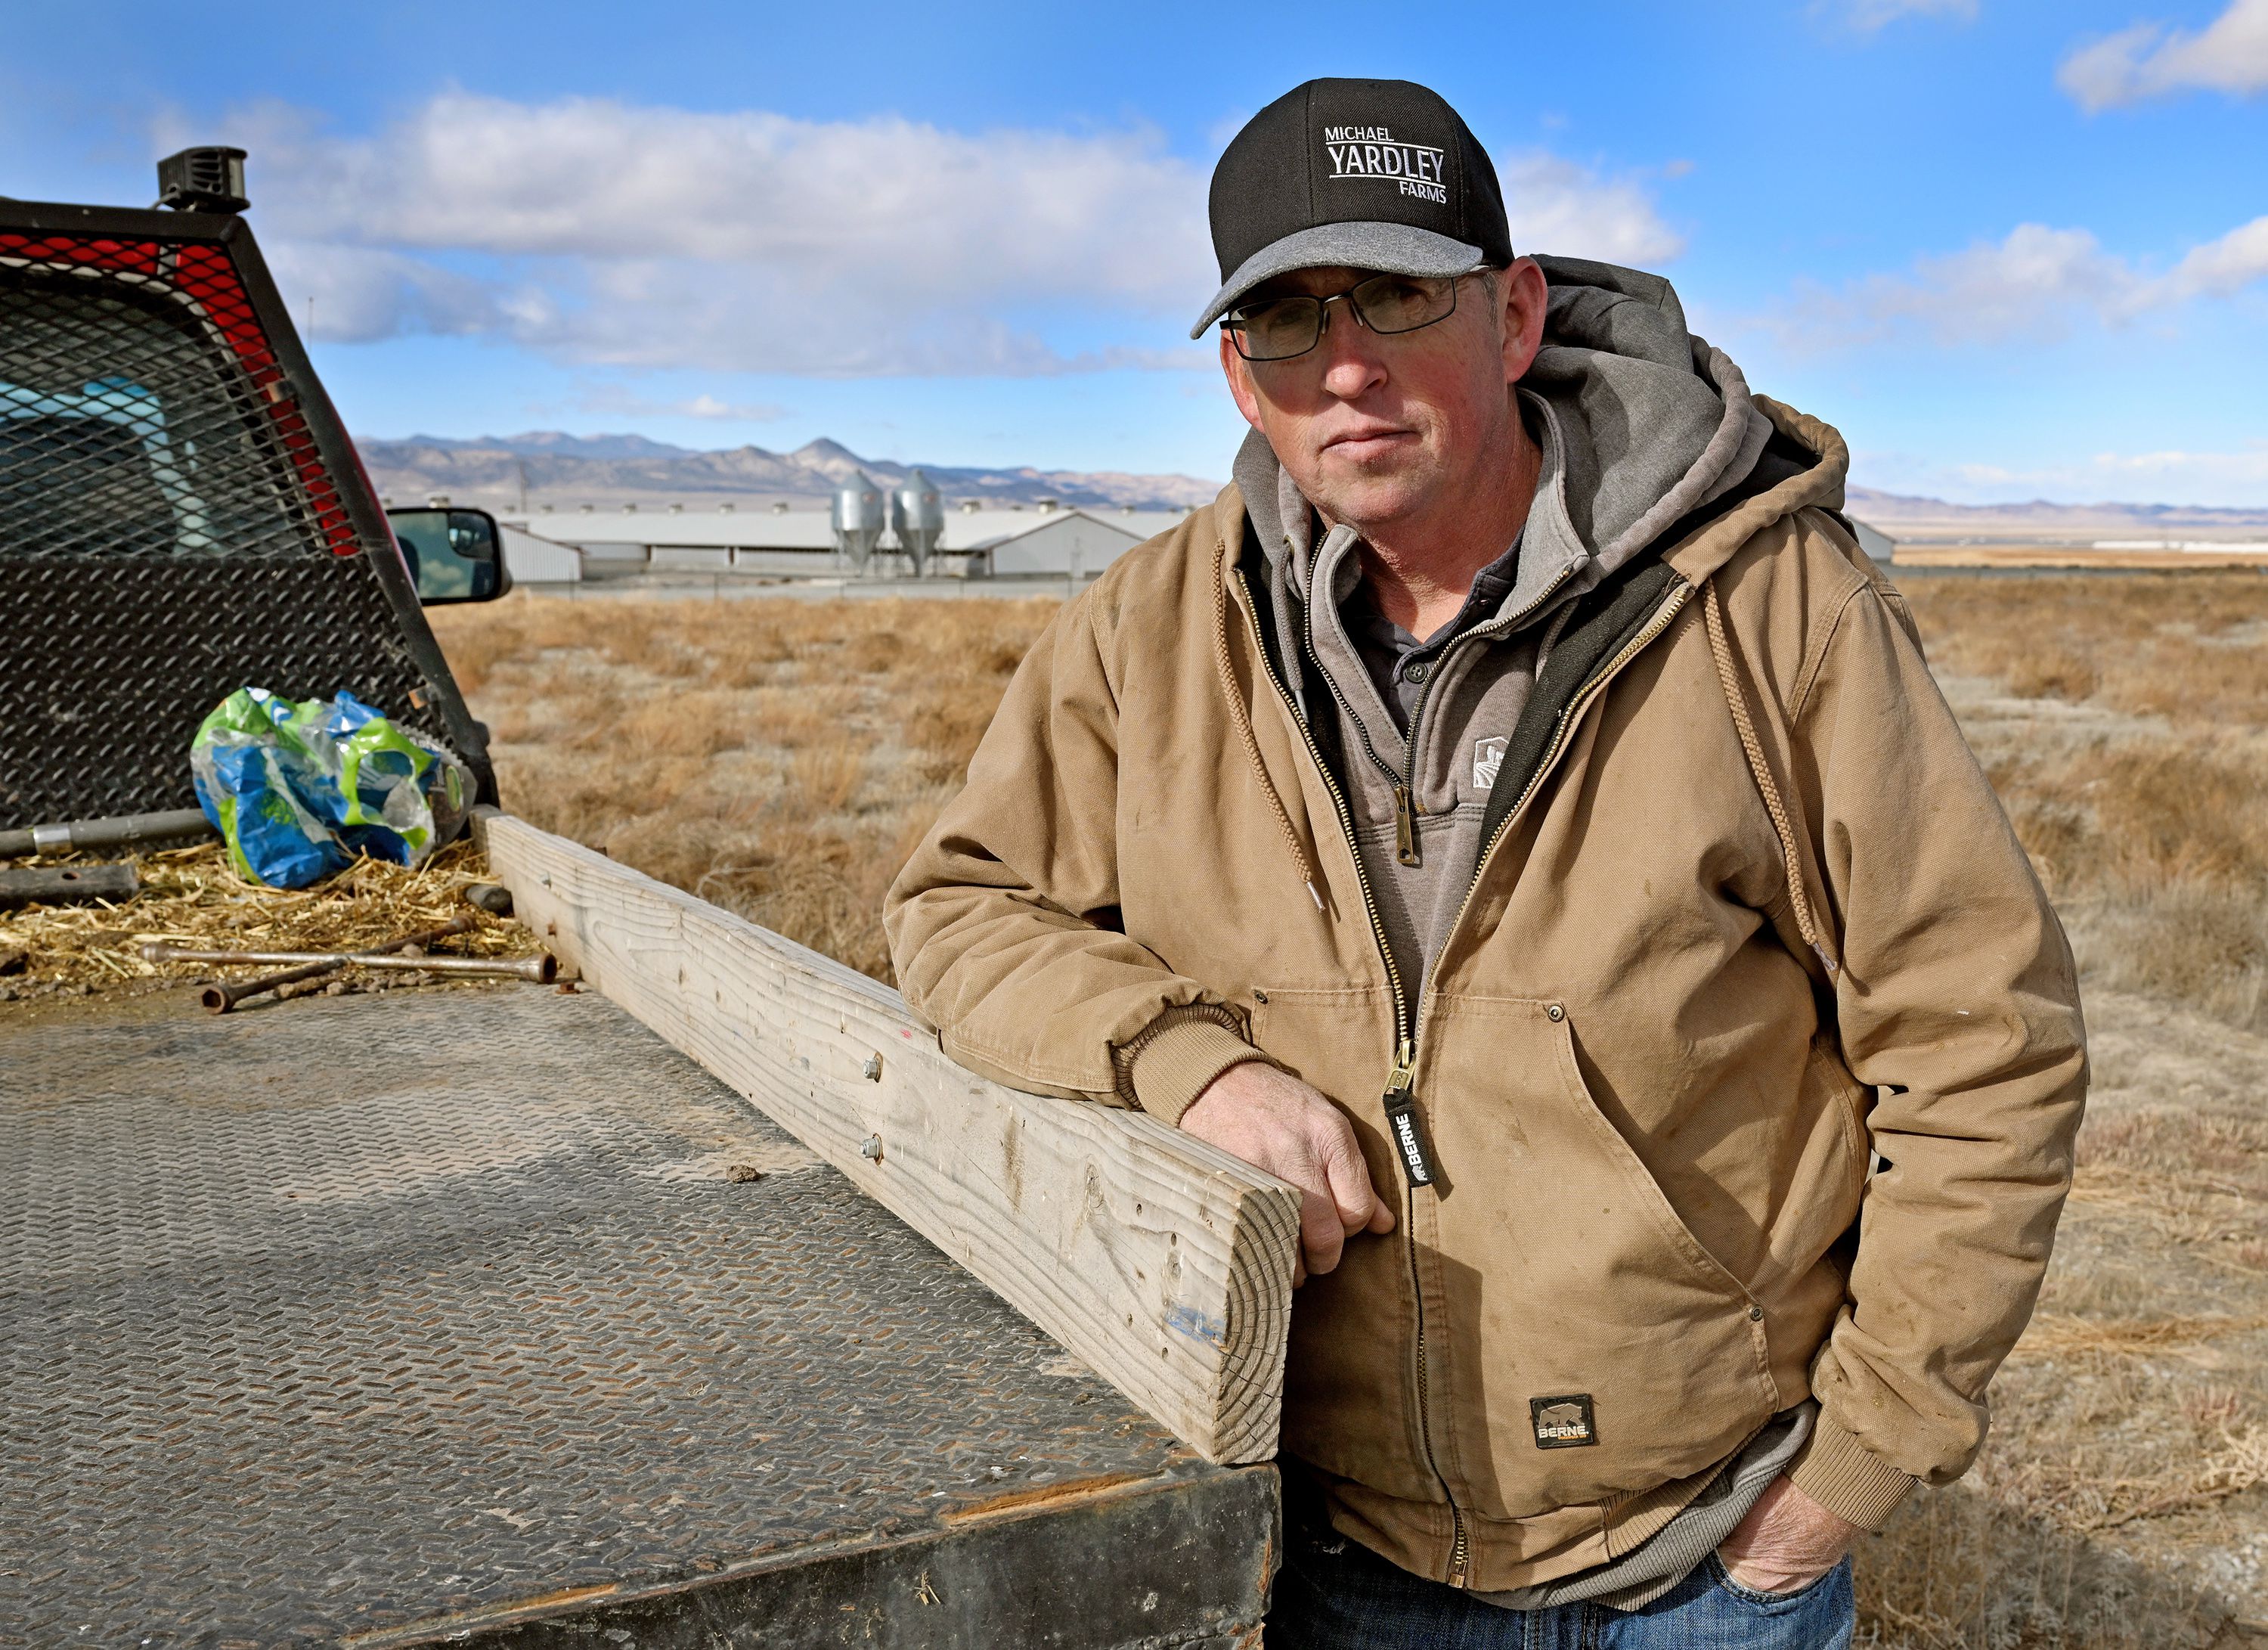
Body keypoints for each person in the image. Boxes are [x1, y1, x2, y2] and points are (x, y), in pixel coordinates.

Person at [885, 77, 2086, 1649]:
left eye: (1396, 291)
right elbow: (962, 906)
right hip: (1335, 1547)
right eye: (1288, 321)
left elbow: (1983, 1039)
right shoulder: (1155, 628)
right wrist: (1183, 1062)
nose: (1350, 367)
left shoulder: (1765, 604)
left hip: (1704, 1561)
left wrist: (1845, 1480)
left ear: (1515, 315)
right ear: (1241, 380)